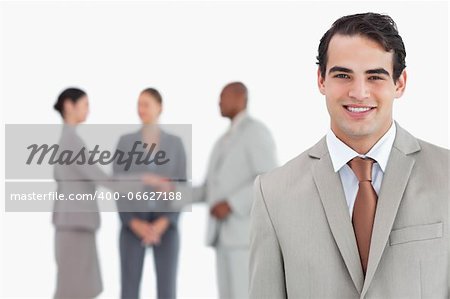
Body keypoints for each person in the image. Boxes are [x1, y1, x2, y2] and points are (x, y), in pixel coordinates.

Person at [249, 13, 449, 298]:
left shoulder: (447, 175)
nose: (359, 92)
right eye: (343, 75)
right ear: (321, 80)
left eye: (375, 76)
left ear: (400, 83)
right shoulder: (273, 193)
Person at [194, 82, 277, 299]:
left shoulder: (255, 132)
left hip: (243, 236)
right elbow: (207, 190)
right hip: (222, 236)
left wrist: (231, 203)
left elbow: (268, 178)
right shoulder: (222, 140)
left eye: (223, 96)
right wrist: (171, 192)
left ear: (241, 98)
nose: (219, 102)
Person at [114, 88, 186, 299]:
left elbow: (181, 188)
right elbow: (118, 187)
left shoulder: (175, 143)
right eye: (138, 104)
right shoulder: (125, 142)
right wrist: (134, 223)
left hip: (167, 226)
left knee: (167, 290)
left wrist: (164, 222)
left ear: (160, 107)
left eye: (146, 104)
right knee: (129, 290)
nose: (141, 109)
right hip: (132, 226)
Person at [52, 88, 104, 299]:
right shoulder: (71, 142)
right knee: (75, 289)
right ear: (68, 106)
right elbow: (102, 178)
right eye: (85, 104)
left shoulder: (67, 139)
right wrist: (144, 181)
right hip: (76, 224)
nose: (88, 110)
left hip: (73, 223)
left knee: (76, 286)